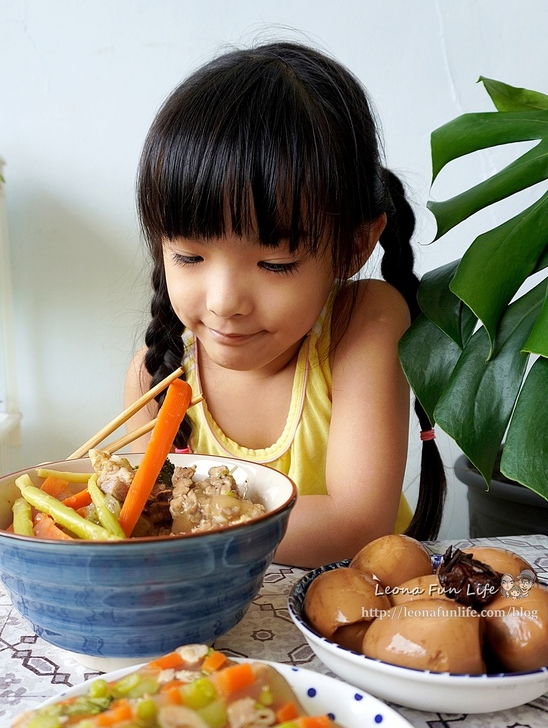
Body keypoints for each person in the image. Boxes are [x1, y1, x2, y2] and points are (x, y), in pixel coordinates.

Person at [123, 41, 446, 568]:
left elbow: (354, 524)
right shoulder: (156, 377)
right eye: (189, 256)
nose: (225, 302)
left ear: (354, 246)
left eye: (274, 265)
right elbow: (133, 521)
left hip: (358, 623)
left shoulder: (361, 324)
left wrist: (171, 524)